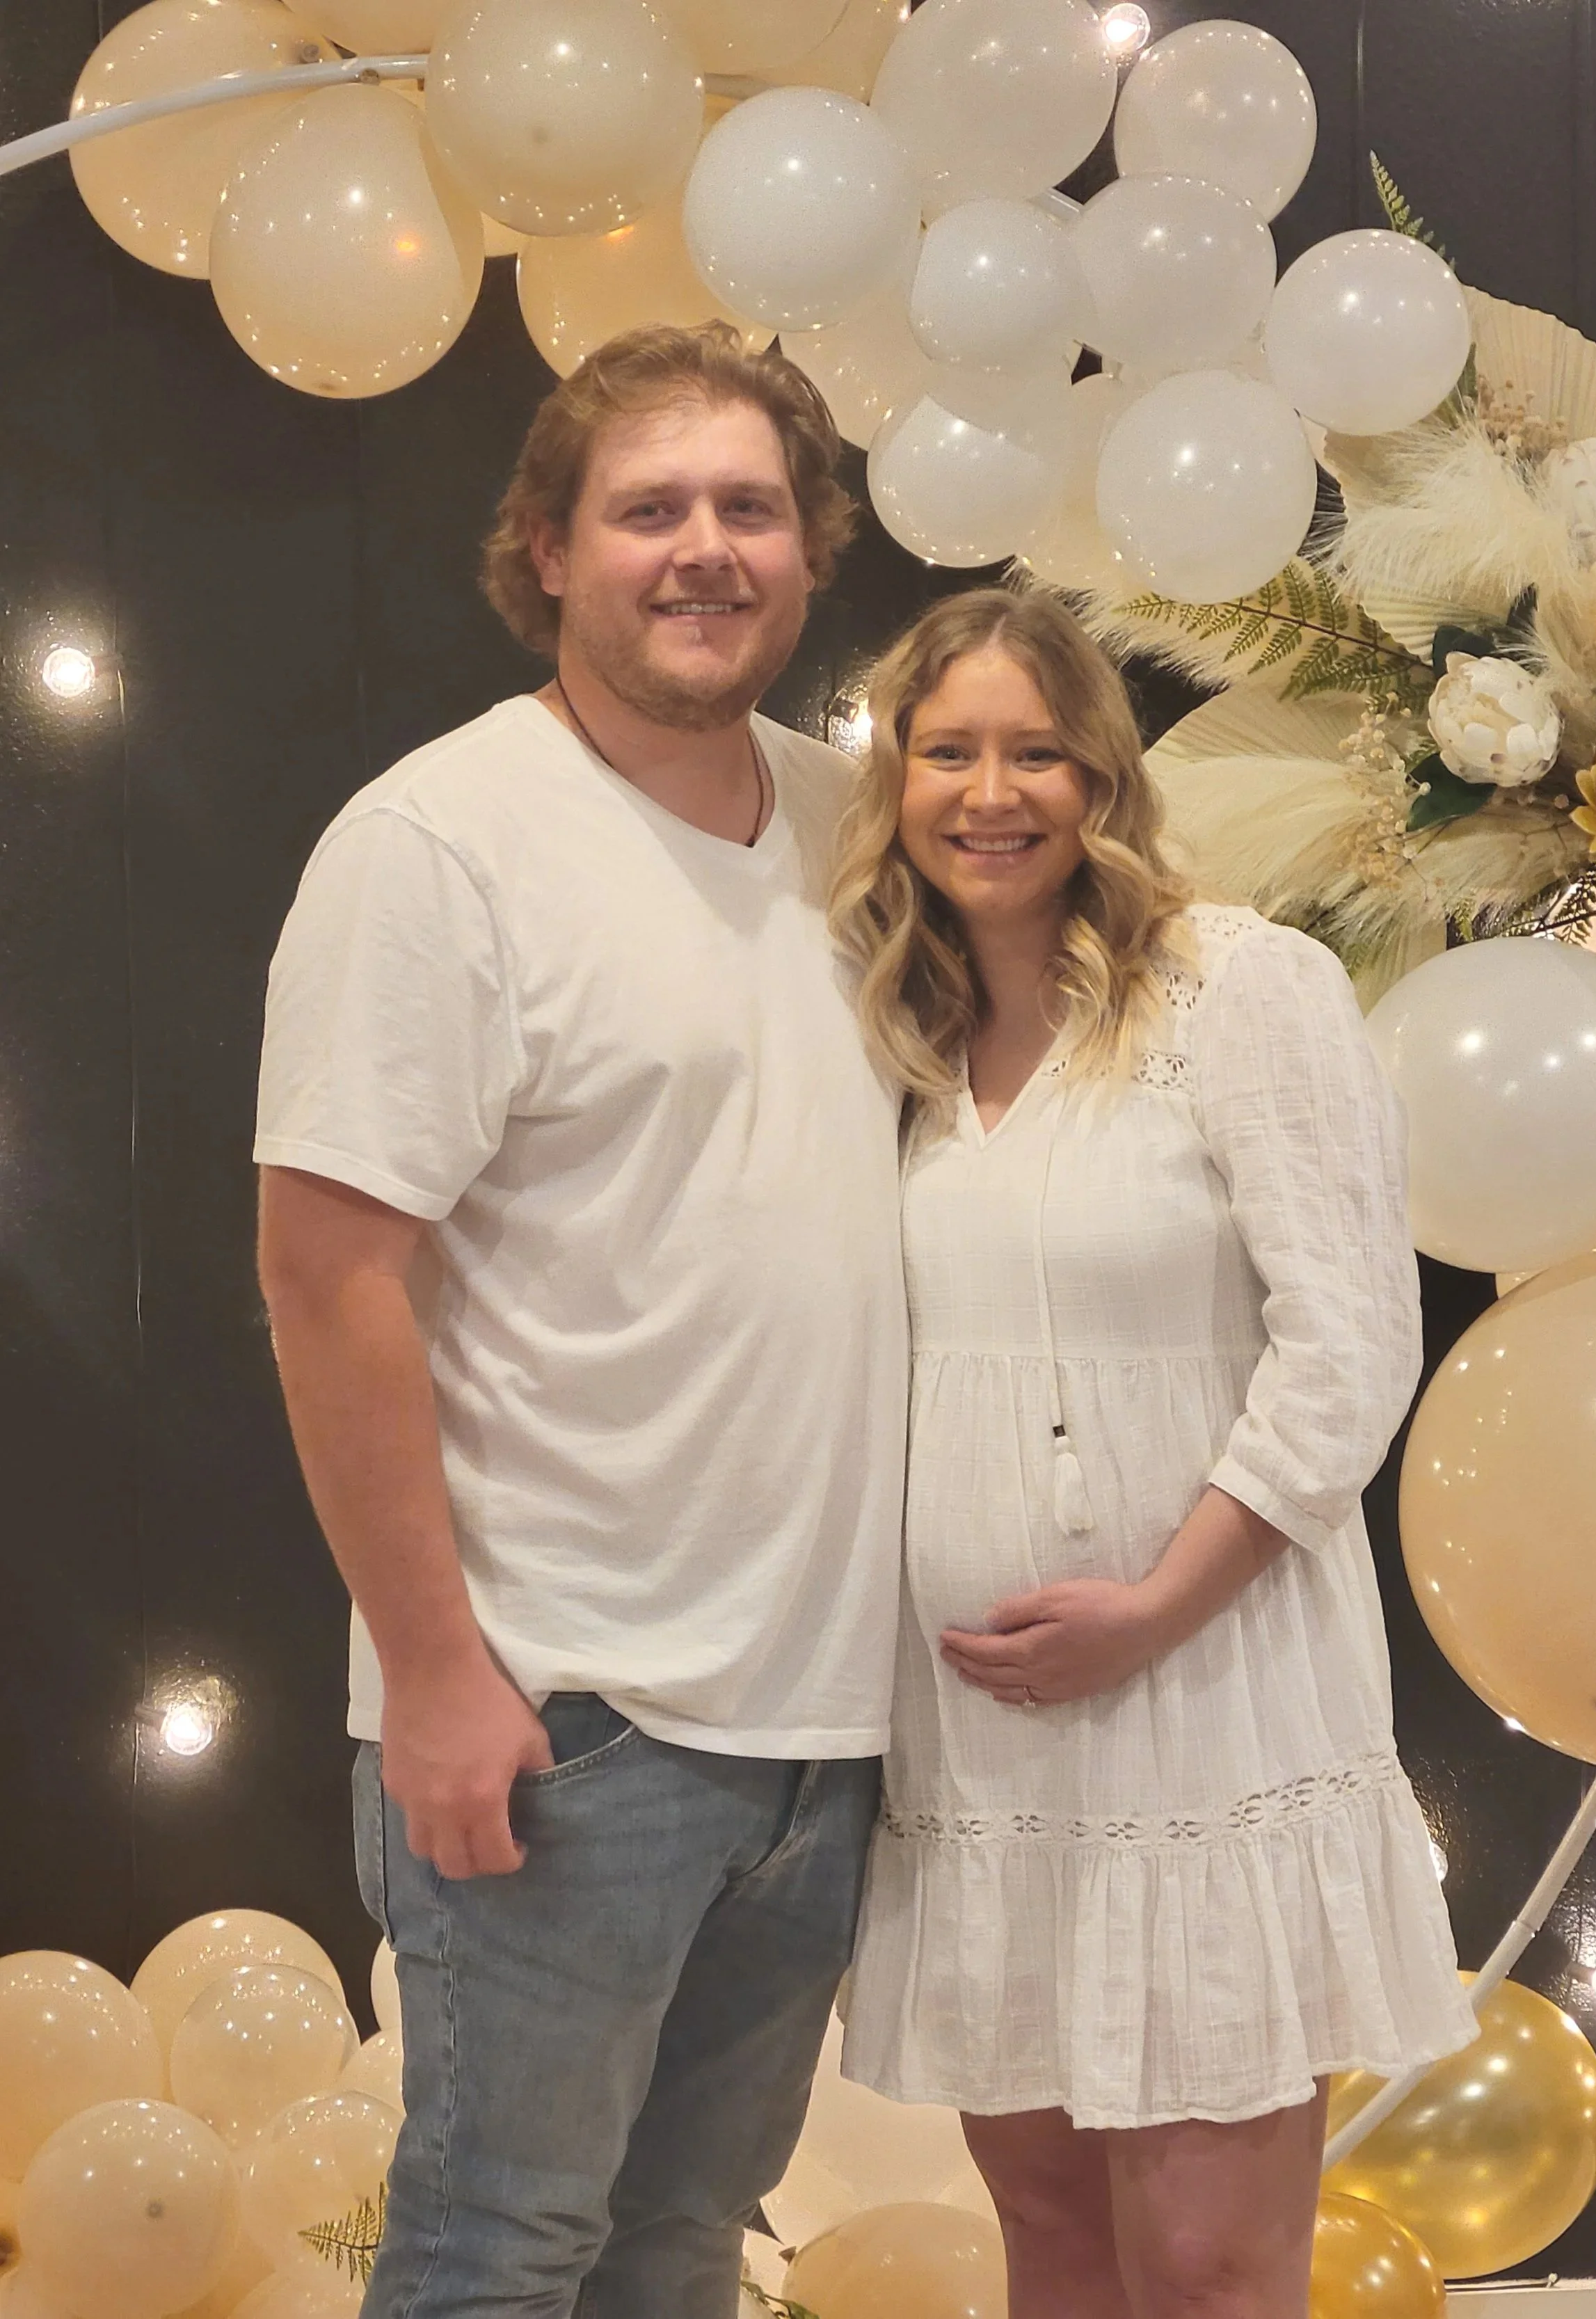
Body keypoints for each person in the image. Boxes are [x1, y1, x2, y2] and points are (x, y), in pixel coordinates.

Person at [253, 324, 909, 2318]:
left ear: (808, 552)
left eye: (747, 507)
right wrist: (440, 1675)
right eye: (647, 509)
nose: (701, 550)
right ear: (545, 549)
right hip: (566, 1723)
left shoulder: (859, 830)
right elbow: (325, 1275)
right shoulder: (436, 847)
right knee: (495, 2251)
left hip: (819, 1731)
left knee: (682, 2251)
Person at [829, 589, 1475, 2319]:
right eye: (946, 750)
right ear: (892, 779)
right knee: (1048, 2238)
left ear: (1100, 775)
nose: (989, 791)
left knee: (1205, 2268)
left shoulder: (1244, 988)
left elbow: (1348, 1348)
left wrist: (1151, 1606)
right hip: (977, 1747)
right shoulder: (886, 1032)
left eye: (1033, 750)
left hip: (1209, 1710)